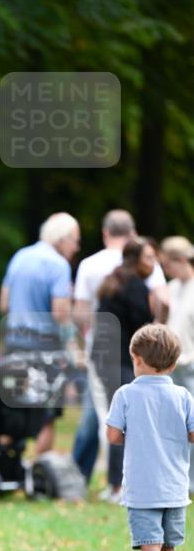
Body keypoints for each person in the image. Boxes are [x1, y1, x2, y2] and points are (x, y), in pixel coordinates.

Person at [107, 324, 194, 551]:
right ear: (173, 364)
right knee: (168, 546)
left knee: (149, 545)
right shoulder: (183, 395)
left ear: (136, 358)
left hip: (144, 488)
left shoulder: (126, 394)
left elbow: (113, 435)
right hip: (175, 486)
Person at [72, 210, 166, 484]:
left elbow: (81, 313)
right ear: (133, 233)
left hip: (100, 352)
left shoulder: (92, 266)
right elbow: (163, 302)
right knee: (117, 416)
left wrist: (88, 339)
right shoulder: (142, 270)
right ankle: (114, 481)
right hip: (129, 355)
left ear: (105, 233)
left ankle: (80, 475)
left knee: (99, 414)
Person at [0, 212, 79, 454]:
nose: (77, 248)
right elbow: (60, 313)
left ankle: (7, 468)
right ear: (62, 238)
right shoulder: (59, 265)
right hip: (45, 346)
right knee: (47, 412)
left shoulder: (20, 257)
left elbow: (4, 303)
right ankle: (40, 472)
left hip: (14, 342)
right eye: (75, 241)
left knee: (14, 406)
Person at [91, 237, 159, 502]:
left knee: (117, 419)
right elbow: (144, 329)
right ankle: (120, 486)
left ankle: (114, 484)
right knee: (127, 422)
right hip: (121, 361)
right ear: (136, 259)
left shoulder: (113, 281)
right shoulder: (135, 287)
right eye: (149, 258)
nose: (154, 264)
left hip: (104, 360)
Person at [160, 236, 194, 493]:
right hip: (173, 368)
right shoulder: (170, 289)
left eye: (169, 265)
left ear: (181, 260)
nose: (166, 270)